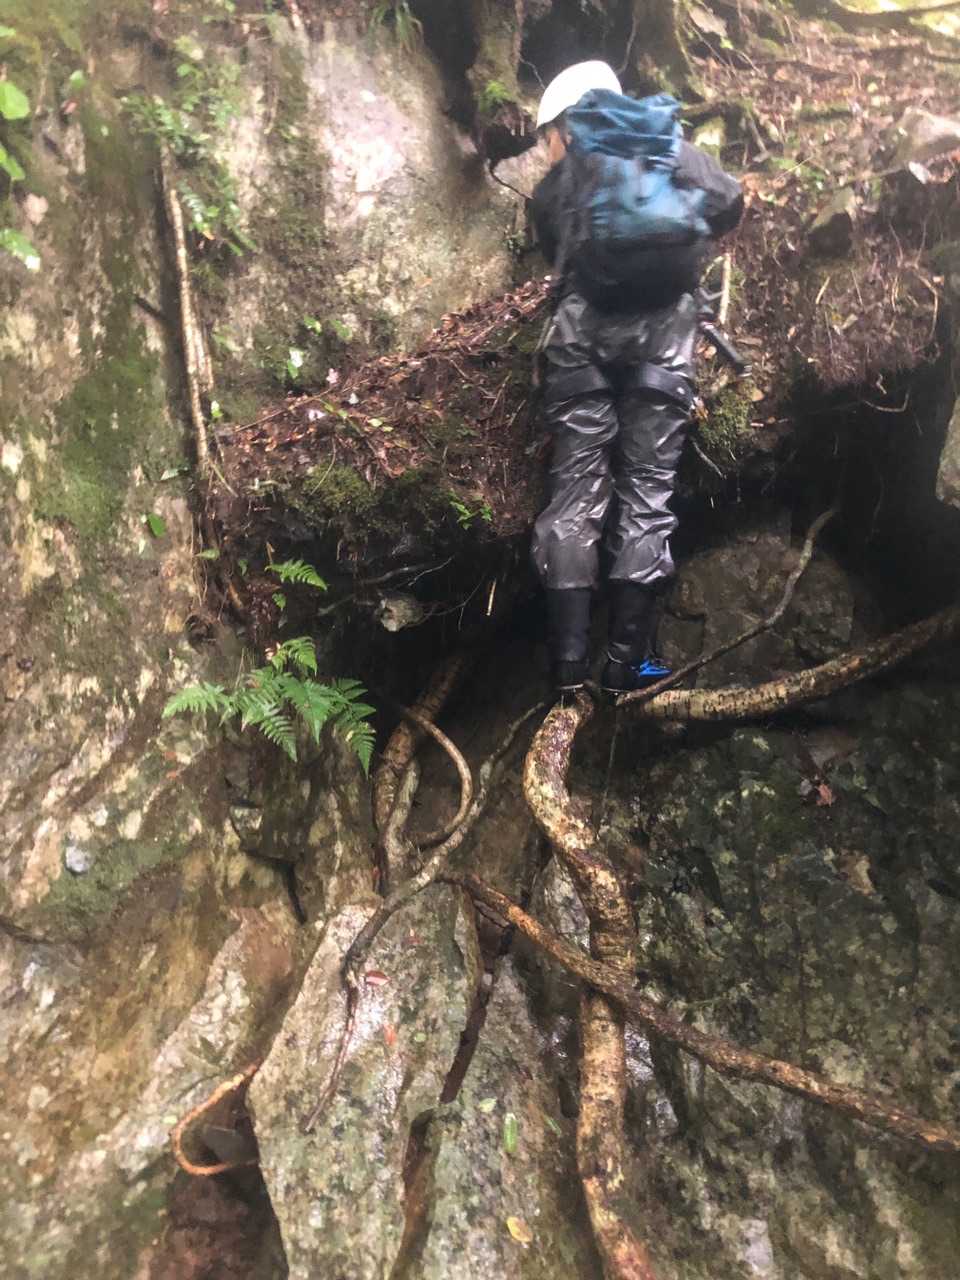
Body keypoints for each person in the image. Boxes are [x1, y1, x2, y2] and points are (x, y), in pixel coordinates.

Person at [529, 60, 743, 696]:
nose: (548, 148)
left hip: (581, 339)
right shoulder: (666, 146)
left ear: (564, 126)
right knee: (647, 492)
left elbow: (552, 247)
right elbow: (729, 201)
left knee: (575, 493)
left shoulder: (557, 183)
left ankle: (568, 668)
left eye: (547, 137)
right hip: (666, 337)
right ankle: (627, 666)